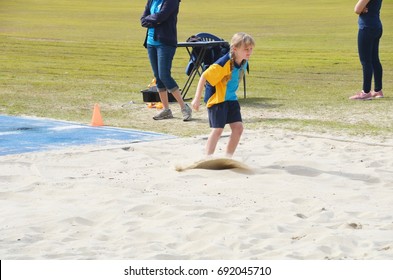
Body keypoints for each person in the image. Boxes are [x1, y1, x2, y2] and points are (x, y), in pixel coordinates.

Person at [191, 32, 255, 157]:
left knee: (238, 128)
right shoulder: (224, 63)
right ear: (234, 49)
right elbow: (204, 76)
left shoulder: (243, 61)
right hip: (217, 99)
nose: (249, 52)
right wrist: (196, 98)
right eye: (246, 49)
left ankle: (227, 158)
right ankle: (207, 159)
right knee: (218, 130)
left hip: (230, 98)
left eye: (251, 49)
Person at [140, 0, 192, 121]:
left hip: (165, 43)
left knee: (164, 75)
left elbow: (162, 16)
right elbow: (143, 19)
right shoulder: (152, 1)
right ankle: (166, 109)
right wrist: (155, 20)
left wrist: (153, 19)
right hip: (151, 43)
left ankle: (184, 107)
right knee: (158, 77)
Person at [350, 0, 384, 100]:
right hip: (376, 26)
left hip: (367, 27)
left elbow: (357, 9)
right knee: (374, 60)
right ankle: (378, 90)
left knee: (366, 61)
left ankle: (365, 92)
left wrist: (361, 9)